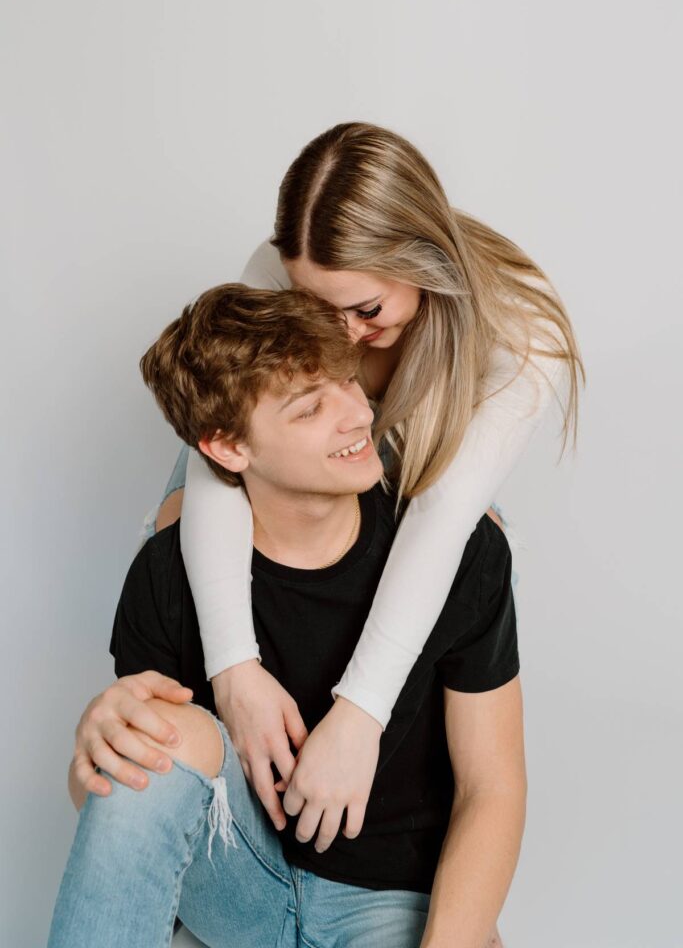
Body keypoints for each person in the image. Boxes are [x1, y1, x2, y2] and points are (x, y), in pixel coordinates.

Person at [129, 122, 582, 849]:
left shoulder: (520, 331)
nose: (342, 334)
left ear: (424, 262)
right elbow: (219, 457)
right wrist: (234, 669)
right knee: (177, 526)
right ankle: (212, 831)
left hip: (418, 501)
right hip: (287, 483)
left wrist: (361, 715)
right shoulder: (276, 268)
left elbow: (440, 516)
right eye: (317, 308)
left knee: (478, 554)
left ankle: (429, 867)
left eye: (367, 310)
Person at [49, 284, 525, 948]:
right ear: (227, 448)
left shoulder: (460, 552)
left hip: (392, 901)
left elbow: (491, 785)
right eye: (310, 409)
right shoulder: (166, 576)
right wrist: (94, 751)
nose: (357, 416)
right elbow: (133, 804)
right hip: (240, 886)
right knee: (153, 729)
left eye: (347, 384)